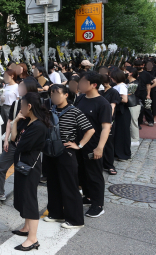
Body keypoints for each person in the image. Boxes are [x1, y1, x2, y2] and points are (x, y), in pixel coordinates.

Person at [44, 85, 94, 229]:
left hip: (66, 152)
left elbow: (90, 130)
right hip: (50, 151)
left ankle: (75, 220)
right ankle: (56, 213)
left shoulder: (74, 111)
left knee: (69, 185)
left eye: (57, 94)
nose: (54, 97)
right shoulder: (49, 110)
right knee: (53, 183)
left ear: (66, 95)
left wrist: (79, 145)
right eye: (52, 94)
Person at [10, 92, 50, 250]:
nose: (20, 108)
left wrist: (17, 141)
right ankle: (26, 228)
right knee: (23, 198)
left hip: (30, 167)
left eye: (22, 105)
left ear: (29, 106)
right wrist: (15, 122)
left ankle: (33, 239)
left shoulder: (38, 126)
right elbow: (13, 140)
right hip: (22, 165)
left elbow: (19, 145)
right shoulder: (26, 122)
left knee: (30, 201)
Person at [0, 79, 38, 201]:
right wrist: (6, 140)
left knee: (25, 171)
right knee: (0, 165)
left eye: (21, 87)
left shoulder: (37, 105)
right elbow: (10, 121)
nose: (18, 90)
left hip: (28, 146)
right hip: (14, 142)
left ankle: (26, 197)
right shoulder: (16, 104)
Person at [74, 72, 112, 218]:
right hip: (79, 143)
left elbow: (106, 128)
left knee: (94, 175)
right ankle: (88, 197)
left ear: (94, 85)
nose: (80, 85)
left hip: (93, 144)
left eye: (83, 83)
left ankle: (98, 204)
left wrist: (100, 147)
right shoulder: (81, 98)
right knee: (82, 172)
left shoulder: (103, 103)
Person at [100, 74, 121, 175]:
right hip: (98, 119)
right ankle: (100, 163)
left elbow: (112, 106)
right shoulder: (100, 91)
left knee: (108, 143)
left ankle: (109, 165)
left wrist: (109, 120)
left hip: (108, 120)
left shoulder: (113, 92)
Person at [110, 69, 131, 161]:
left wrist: (114, 99)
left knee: (122, 133)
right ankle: (118, 152)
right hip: (119, 111)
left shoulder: (121, 86)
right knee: (118, 132)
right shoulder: (118, 86)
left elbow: (125, 99)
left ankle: (123, 153)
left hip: (122, 112)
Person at [0, 69, 19, 134]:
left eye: (6, 76)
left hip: (11, 107)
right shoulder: (5, 86)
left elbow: (18, 98)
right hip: (3, 106)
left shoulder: (16, 86)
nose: (5, 78)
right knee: (3, 124)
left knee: (10, 124)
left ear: (12, 76)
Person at [126, 67, 141, 146]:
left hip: (134, 104)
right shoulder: (128, 82)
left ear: (131, 73)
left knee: (133, 122)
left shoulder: (135, 83)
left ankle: (135, 139)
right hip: (130, 104)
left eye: (126, 71)